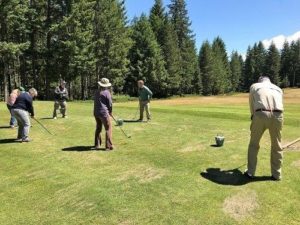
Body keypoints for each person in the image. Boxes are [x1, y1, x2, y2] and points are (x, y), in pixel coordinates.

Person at [244, 76, 284, 181]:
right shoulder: (278, 88)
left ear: (260, 80)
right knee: (277, 146)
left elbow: (251, 103)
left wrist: (253, 116)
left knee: (254, 144)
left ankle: (250, 172)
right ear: (269, 81)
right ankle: (277, 175)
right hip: (278, 115)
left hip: (260, 114)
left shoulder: (255, 86)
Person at [93, 78, 114, 150]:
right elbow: (110, 104)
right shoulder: (107, 92)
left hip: (96, 113)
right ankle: (108, 146)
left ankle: (97, 145)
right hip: (104, 113)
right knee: (108, 128)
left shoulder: (96, 92)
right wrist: (110, 112)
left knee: (98, 128)